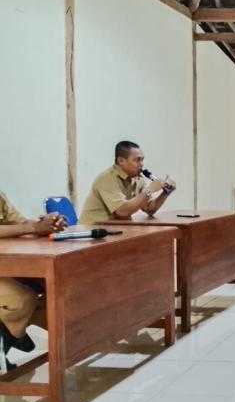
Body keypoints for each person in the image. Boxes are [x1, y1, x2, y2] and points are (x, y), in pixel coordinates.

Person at [0, 192, 66, 369]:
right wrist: (33, 228)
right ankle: (14, 336)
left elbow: (20, 223)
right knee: (21, 299)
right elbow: (26, 228)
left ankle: (11, 335)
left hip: (6, 264)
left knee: (56, 290)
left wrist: (48, 224)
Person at [79, 141, 177, 224]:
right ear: (121, 161)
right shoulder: (106, 178)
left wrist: (165, 193)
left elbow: (150, 209)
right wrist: (150, 189)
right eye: (137, 160)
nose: (141, 164)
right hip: (93, 232)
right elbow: (122, 212)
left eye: (142, 160)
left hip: (115, 229)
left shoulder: (137, 179)